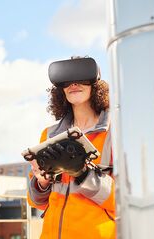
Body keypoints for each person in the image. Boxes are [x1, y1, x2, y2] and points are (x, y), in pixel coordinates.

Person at [27, 56, 116, 239]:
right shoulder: (49, 134)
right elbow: (36, 202)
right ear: (61, 90)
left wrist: (83, 173)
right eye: (67, 81)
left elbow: (126, 200)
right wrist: (42, 183)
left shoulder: (114, 134)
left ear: (96, 85)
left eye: (81, 79)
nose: (73, 84)